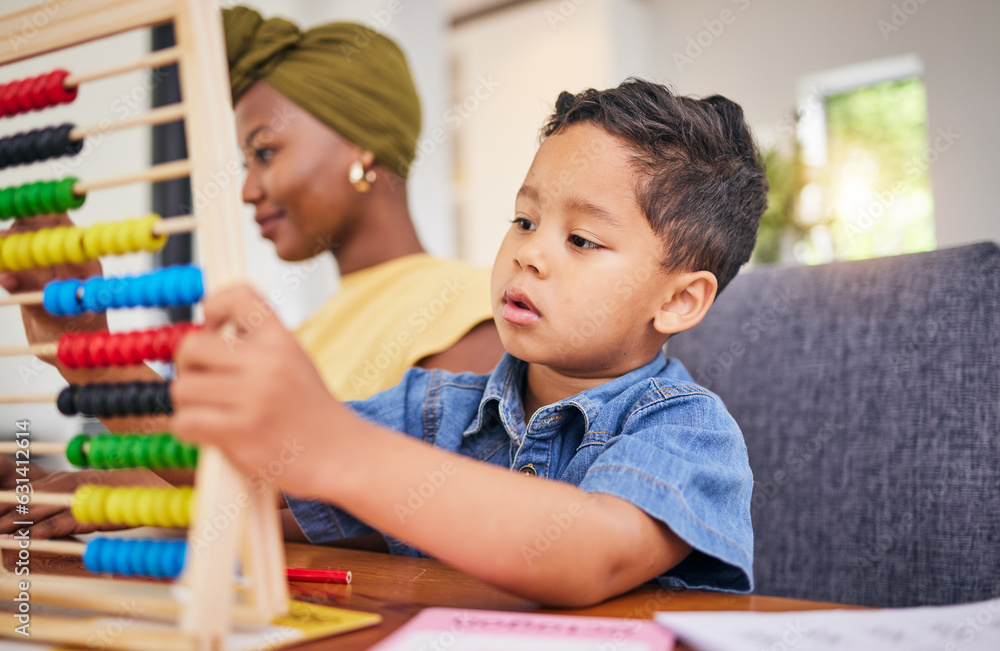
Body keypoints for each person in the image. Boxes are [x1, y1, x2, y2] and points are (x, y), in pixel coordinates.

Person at [170, 79, 768, 605]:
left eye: (582, 239)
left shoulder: (690, 432)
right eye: (525, 221)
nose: (527, 253)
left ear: (678, 301)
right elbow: (256, 471)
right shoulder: (434, 409)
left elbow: (588, 554)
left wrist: (338, 447)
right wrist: (94, 365)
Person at [0, 7, 504, 537]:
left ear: (361, 146)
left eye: (266, 152)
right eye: (245, 164)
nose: (246, 190)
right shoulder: (305, 334)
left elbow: (400, 515)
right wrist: (103, 492)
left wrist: (89, 358)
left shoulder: (468, 309)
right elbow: (257, 481)